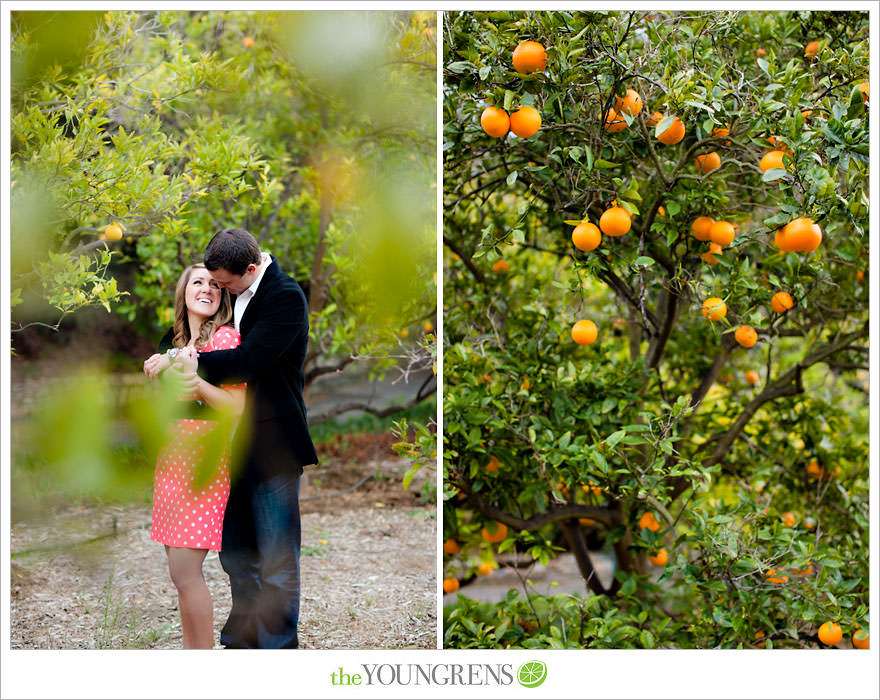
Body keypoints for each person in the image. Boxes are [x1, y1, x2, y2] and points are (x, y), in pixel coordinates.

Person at [145, 228, 317, 649]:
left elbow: (247, 360)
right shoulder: (234, 292)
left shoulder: (284, 296)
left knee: (277, 557)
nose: (216, 289)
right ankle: (241, 640)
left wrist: (181, 361)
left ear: (251, 269)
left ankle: (275, 650)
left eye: (222, 283)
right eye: (208, 281)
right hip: (232, 450)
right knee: (237, 556)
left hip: (273, 444)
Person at [142, 264, 245, 649]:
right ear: (184, 292)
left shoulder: (226, 339)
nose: (207, 289)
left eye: (214, 285)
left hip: (203, 459)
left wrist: (196, 383)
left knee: (186, 573)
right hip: (171, 459)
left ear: (223, 296)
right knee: (177, 574)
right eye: (197, 282)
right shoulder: (172, 341)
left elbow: (235, 407)